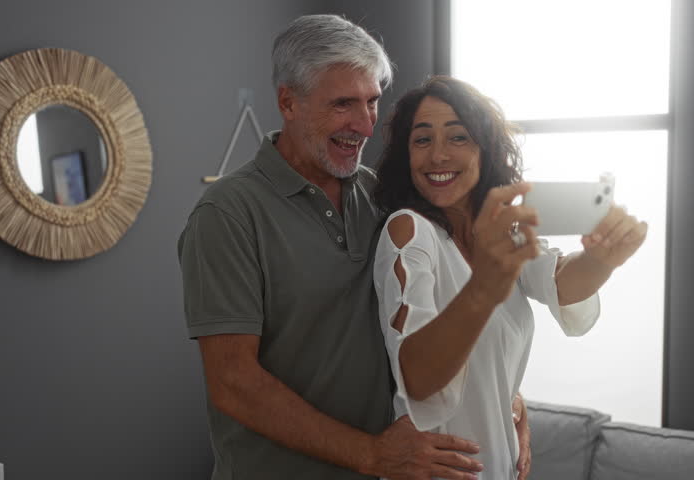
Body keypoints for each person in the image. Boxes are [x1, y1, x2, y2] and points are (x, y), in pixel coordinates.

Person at [178, 15, 501, 480]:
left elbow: (442, 320)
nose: (365, 125)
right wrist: (373, 454)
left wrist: (507, 396)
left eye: (372, 102)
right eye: (343, 104)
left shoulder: (386, 199)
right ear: (288, 102)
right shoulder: (227, 214)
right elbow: (234, 384)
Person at [372, 76, 647, 479]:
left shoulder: (502, 229)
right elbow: (418, 379)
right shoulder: (409, 231)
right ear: (405, 154)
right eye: (423, 140)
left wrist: (602, 259)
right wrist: (483, 287)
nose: (438, 156)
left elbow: (561, 283)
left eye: (458, 138)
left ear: (485, 148)